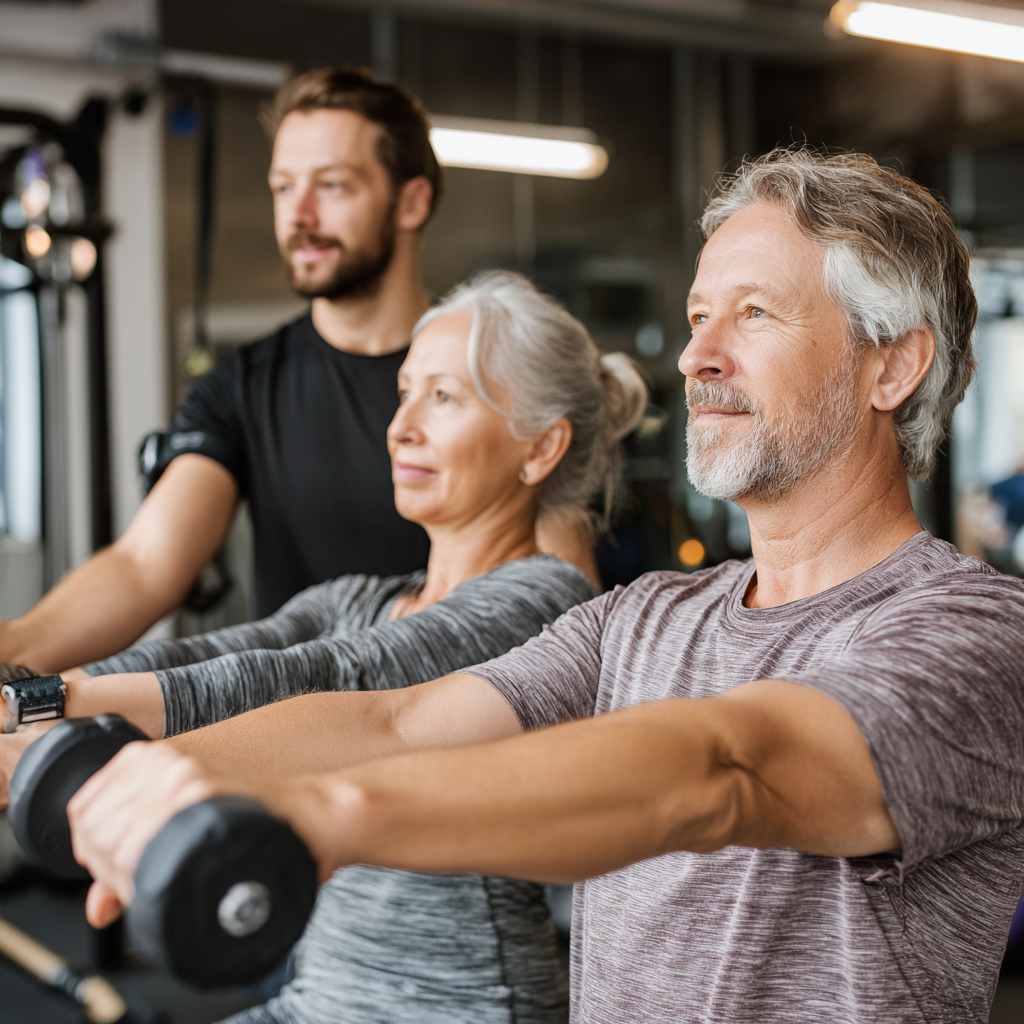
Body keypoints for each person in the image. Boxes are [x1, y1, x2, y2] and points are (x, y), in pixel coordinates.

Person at [23, 148, 1024, 1024]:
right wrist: (107, 768)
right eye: (697, 316)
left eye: (753, 314)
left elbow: (724, 771)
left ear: (893, 365)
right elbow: (397, 724)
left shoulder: (973, 630)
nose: (695, 355)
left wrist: (320, 817)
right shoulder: (642, 614)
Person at [1, 271, 646, 1024]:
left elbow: (326, 681)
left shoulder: (545, 602)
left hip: (460, 1004)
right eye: (404, 393)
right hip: (325, 991)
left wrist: (60, 712)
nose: (401, 427)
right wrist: (24, 702)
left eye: (443, 397)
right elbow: (206, 660)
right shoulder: (361, 597)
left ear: (540, 449)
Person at [0, 68, 596, 676]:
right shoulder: (241, 386)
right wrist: (13, 648)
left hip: (467, 713)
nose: (299, 215)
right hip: (292, 715)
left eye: (332, 185)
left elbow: (559, 602)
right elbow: (144, 564)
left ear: (412, 201)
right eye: (284, 187)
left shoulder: (499, 372)